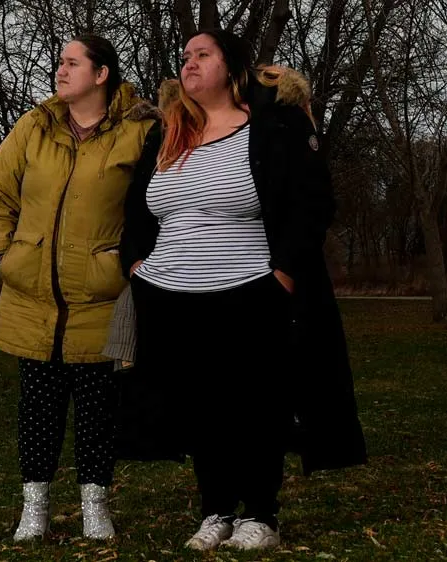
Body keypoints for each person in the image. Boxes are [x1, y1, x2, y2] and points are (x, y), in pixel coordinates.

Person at [119, 29, 367, 551]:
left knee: (254, 404)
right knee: (199, 406)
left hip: (249, 288)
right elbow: (138, 208)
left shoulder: (273, 126)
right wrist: (137, 263)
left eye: (202, 55)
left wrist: (285, 272)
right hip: (169, 294)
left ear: (231, 68)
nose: (189, 63)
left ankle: (260, 515)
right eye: (185, 56)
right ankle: (216, 511)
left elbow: (312, 202)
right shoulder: (168, 132)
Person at [0, 34, 156, 541]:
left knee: (98, 411)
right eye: (60, 62)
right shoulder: (34, 126)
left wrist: (125, 264)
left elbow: (155, 205)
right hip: (32, 295)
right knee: (38, 409)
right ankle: (34, 510)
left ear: (101, 74)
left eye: (72, 63)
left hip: (100, 296)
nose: (60, 70)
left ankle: (95, 508)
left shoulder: (139, 132)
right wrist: (4, 255)